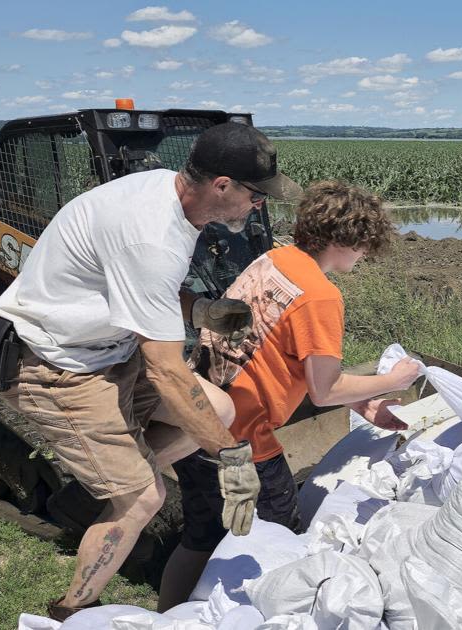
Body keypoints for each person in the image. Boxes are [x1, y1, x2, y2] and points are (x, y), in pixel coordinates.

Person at [0, 122, 302, 620]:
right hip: (55, 363)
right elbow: (166, 373)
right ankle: (68, 611)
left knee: (217, 406)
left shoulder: (170, 198)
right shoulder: (151, 239)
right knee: (142, 498)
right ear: (222, 185)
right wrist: (234, 462)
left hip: (107, 347)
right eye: (256, 195)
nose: (259, 206)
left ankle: (104, 484)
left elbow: (140, 287)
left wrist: (198, 310)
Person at [157, 179, 420, 607]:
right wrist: (393, 380)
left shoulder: (274, 260)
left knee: (200, 536)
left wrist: (362, 401)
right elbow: (324, 387)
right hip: (246, 443)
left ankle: (168, 616)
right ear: (344, 239)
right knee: (279, 544)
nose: (367, 254)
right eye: (365, 244)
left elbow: (280, 355)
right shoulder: (320, 296)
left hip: (200, 424)